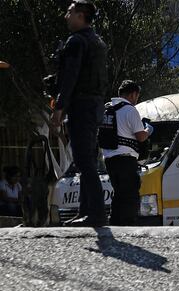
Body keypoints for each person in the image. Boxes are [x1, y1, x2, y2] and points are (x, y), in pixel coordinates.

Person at [50, 0, 108, 226]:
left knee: (84, 161)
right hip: (94, 105)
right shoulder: (97, 42)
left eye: (70, 11)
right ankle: (87, 212)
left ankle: (96, 214)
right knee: (88, 161)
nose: (66, 16)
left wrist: (59, 108)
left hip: (82, 106)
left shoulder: (76, 41)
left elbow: (70, 77)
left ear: (81, 15)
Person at [101, 80, 153, 226]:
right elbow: (141, 136)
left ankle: (115, 224)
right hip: (125, 160)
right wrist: (148, 129)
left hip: (109, 159)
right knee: (130, 196)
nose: (137, 100)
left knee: (118, 194)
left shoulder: (109, 109)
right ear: (133, 94)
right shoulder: (130, 110)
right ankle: (128, 228)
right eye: (137, 96)